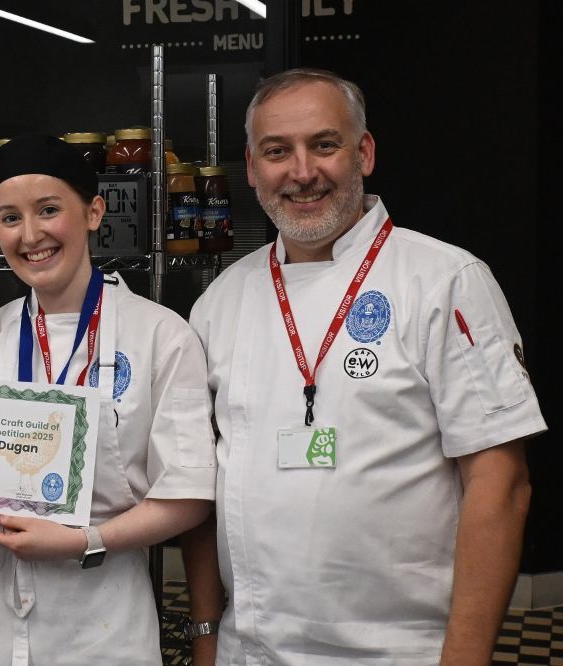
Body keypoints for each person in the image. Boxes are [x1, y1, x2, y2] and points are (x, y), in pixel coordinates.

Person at [184, 68, 546, 664]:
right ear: (251, 168)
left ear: (364, 152)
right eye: (278, 152)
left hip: (405, 651)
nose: (302, 173)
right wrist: (206, 639)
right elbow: (199, 487)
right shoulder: (219, 302)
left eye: (324, 145)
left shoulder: (445, 281)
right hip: (252, 649)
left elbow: (501, 486)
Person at [0, 134, 216, 665]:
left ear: (94, 212)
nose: (30, 235)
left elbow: (189, 495)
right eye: (9, 217)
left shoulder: (162, 337)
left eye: (49, 210)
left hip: (100, 628)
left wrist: (84, 540)